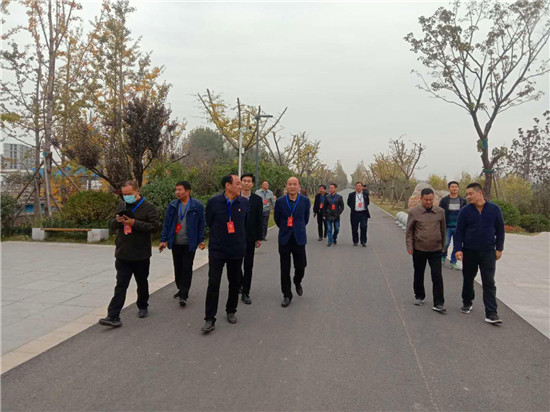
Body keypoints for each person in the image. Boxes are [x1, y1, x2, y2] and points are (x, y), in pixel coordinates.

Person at [99, 181, 160, 327]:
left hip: (141, 254)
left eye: (129, 194)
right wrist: (117, 221)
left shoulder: (148, 207)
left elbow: (155, 227)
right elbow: (112, 225)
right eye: (124, 194)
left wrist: (134, 223)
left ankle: (143, 306)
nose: (126, 197)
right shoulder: (122, 205)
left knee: (142, 282)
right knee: (121, 285)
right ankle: (113, 315)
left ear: (137, 191)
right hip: (123, 253)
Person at [202, 174, 248, 333]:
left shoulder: (244, 203)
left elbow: (245, 223)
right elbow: (209, 221)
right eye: (238, 183)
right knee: (213, 283)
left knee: (234, 282)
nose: (241, 186)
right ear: (228, 185)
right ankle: (209, 318)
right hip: (218, 249)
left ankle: (231, 310)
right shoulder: (214, 202)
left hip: (236, 249)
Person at [454, 183, 505, 324]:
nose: (468, 196)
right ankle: (467, 301)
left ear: (480, 193)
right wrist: (458, 249)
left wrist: (499, 249)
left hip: (488, 252)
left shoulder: (494, 209)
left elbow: (500, 231)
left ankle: (491, 313)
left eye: (470, 194)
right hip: (469, 251)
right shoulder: (465, 211)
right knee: (468, 278)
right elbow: (459, 232)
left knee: (489, 281)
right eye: (467, 194)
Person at [159, 181, 206, 307]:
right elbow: (167, 223)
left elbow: (201, 223)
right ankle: (181, 288)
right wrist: (163, 240)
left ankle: (184, 295)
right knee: (178, 268)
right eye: (176, 190)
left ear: (187, 191)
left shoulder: (197, 205)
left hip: (190, 243)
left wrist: (201, 240)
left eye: (180, 190)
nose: (177, 192)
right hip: (176, 242)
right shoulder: (173, 205)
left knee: (187, 268)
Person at [406, 188, 447, 313]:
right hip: (419, 249)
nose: (429, 202)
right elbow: (409, 231)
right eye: (426, 200)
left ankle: (438, 302)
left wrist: (443, 245)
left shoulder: (440, 212)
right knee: (419, 273)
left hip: (436, 249)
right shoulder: (414, 212)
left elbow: (443, 229)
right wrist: (409, 246)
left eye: (431, 199)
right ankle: (419, 296)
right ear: (421, 199)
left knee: (437, 275)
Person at [274, 177, 310, 307]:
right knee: (285, 268)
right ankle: (287, 295)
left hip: (299, 238)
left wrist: (297, 228)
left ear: (299, 186)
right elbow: (277, 219)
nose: (292, 186)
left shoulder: (305, 201)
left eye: (295, 184)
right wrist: (286, 228)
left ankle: (297, 280)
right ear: (286, 186)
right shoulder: (280, 201)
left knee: (301, 265)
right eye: (290, 184)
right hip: (285, 238)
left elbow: (306, 219)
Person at [240, 173, 263, 305]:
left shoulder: (257, 200)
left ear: (252, 184)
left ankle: (246, 292)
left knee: (248, 265)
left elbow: (259, 219)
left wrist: (259, 237)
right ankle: (240, 283)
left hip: (250, 237)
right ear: (241, 182)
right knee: (235, 264)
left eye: (249, 181)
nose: (246, 183)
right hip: (236, 237)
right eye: (244, 181)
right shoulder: (235, 197)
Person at [439, 181, 467, 269]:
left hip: (458, 227)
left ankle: (453, 262)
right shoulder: (444, 200)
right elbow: (440, 212)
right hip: (447, 226)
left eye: (456, 186)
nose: (454, 188)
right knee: (445, 243)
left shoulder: (462, 200)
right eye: (452, 187)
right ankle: (443, 256)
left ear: (458, 188)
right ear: (449, 188)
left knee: (457, 245)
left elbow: (465, 213)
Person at [347, 182, 371, 247]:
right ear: (355, 187)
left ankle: (363, 241)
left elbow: (367, 202)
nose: (358, 187)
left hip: (363, 213)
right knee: (354, 228)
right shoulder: (351, 195)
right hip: (354, 213)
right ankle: (355, 241)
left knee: (364, 227)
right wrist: (354, 207)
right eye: (357, 186)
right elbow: (348, 203)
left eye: (360, 186)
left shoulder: (365, 194)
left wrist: (363, 207)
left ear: (362, 187)